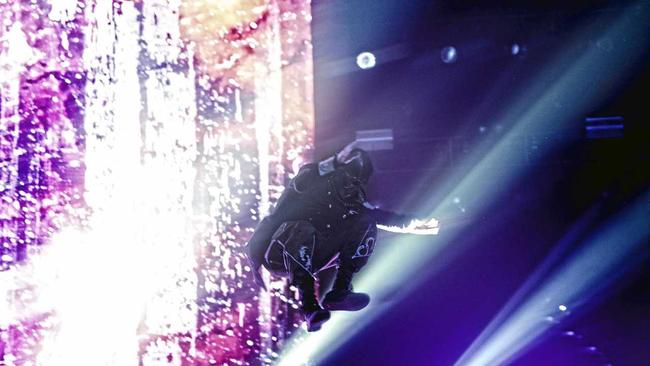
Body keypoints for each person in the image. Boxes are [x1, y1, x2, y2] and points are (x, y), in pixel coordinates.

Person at [245, 142, 439, 331]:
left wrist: (419, 224)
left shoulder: (351, 203)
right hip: (279, 254)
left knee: (366, 221)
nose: (351, 189)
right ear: (338, 174)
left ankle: (340, 291)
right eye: (349, 180)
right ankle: (309, 308)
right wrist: (255, 264)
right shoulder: (308, 184)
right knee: (302, 228)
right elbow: (311, 173)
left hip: (312, 253)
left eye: (356, 184)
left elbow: (386, 219)